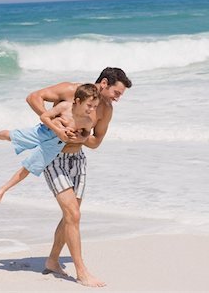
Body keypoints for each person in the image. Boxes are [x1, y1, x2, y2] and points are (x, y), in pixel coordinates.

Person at [26, 67, 132, 287]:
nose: (117, 98)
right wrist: (55, 127)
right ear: (104, 83)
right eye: (117, 93)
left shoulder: (106, 110)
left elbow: (96, 142)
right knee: (72, 215)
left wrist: (83, 137)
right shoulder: (70, 90)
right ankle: (81, 272)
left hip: (78, 162)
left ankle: (53, 261)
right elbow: (33, 97)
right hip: (55, 158)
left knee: (71, 216)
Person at [0, 84, 100, 203]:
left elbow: (85, 135)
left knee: (29, 167)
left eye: (95, 106)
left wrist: (75, 137)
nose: (92, 109)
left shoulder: (87, 121)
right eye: (89, 105)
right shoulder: (64, 107)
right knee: (11, 135)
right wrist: (58, 130)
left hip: (56, 144)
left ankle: (3, 189)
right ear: (77, 101)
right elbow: (44, 117)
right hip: (44, 131)